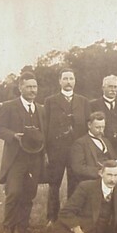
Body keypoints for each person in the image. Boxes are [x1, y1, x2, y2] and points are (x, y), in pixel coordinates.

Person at [7, 160, 117, 233]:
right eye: (109, 175)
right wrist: (78, 231)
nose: (113, 179)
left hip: (94, 232)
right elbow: (66, 212)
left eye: (116, 175)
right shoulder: (86, 187)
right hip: (72, 227)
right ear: (101, 173)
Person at [0, 72, 46, 233]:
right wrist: (13, 135)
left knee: (29, 194)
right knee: (14, 192)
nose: (32, 90)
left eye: (35, 87)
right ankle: (8, 227)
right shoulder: (9, 106)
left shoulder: (41, 108)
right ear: (21, 87)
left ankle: (22, 227)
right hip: (16, 159)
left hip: (35, 159)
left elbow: (43, 134)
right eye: (29, 86)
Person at [44, 68, 91, 225]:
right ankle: (52, 217)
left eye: (71, 78)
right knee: (54, 183)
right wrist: (46, 150)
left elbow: (88, 126)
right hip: (56, 150)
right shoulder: (50, 101)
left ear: (75, 81)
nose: (68, 82)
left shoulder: (83, 101)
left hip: (76, 151)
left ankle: (70, 217)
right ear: (60, 81)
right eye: (65, 78)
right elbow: (45, 127)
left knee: (75, 184)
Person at [70, 111, 117, 183]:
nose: (101, 130)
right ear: (89, 125)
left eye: (103, 127)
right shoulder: (80, 143)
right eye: (97, 127)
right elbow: (78, 168)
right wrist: (98, 172)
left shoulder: (106, 141)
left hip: (111, 176)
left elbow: (114, 159)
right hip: (93, 179)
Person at [90, 75, 117, 156]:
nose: (113, 90)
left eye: (115, 87)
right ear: (103, 87)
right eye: (110, 87)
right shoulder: (93, 105)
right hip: (101, 147)